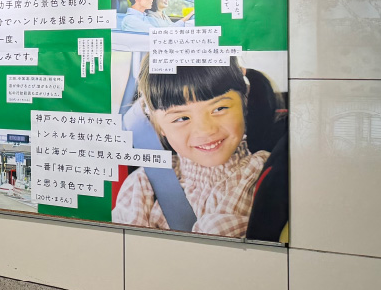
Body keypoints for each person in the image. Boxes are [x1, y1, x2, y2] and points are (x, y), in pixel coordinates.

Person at [112, 57, 270, 238]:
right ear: (159, 126)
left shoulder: (259, 175)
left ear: (244, 103)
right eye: (181, 118)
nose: (205, 130)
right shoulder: (143, 185)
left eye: (219, 108)